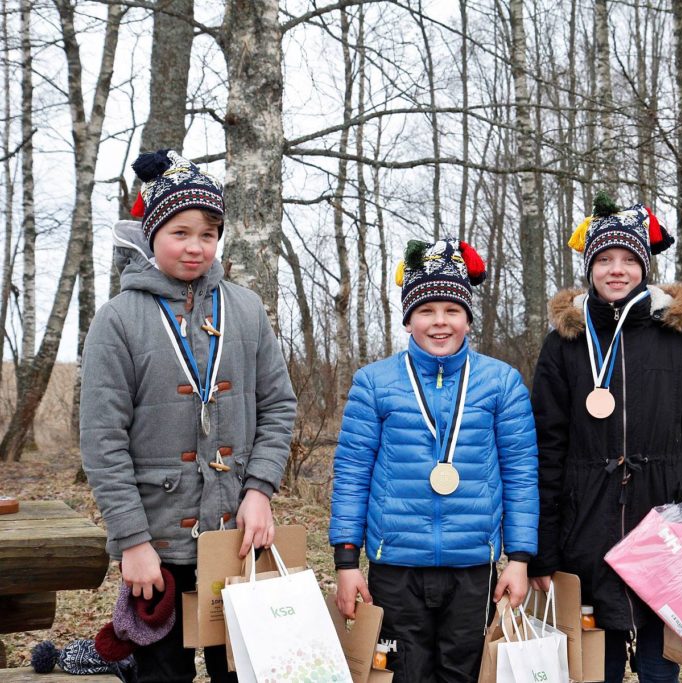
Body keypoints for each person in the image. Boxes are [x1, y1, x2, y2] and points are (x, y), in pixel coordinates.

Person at [80, 150, 296, 683]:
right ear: (151, 233)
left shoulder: (245, 309)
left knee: (247, 674)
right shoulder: (116, 321)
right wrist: (131, 543)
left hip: (238, 539)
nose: (196, 246)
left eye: (208, 232)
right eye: (180, 231)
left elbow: (278, 406)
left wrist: (260, 491)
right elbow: (103, 440)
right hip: (157, 548)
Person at [528, 193, 682, 683]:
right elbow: (544, 447)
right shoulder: (564, 343)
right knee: (597, 667)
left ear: (644, 265)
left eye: (627, 259)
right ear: (590, 268)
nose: (615, 270)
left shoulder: (677, 336)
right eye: (604, 260)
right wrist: (541, 546)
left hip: (662, 525)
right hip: (586, 527)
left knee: (659, 666)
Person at [330, 237, 538, 683]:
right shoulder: (374, 383)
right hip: (395, 566)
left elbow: (521, 475)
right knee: (403, 675)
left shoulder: (502, 383)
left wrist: (519, 559)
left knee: (463, 673)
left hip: (472, 569)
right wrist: (347, 564)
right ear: (408, 320)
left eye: (452, 310)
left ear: (467, 318)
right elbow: (351, 475)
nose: (439, 322)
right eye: (426, 311)